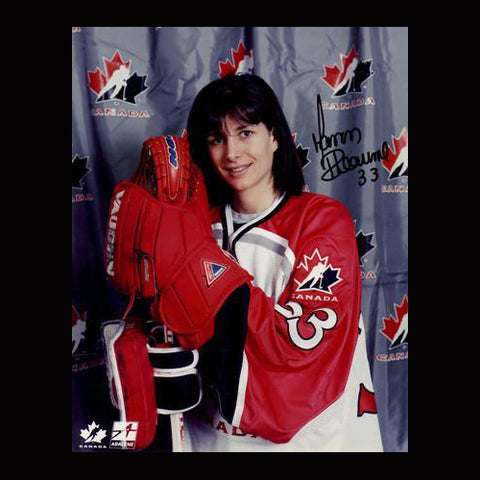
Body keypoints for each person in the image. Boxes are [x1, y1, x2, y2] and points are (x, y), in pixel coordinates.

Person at [179, 73, 384, 452]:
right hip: (213, 436)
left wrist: (198, 271)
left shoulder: (322, 220)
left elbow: (301, 346)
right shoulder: (194, 225)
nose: (232, 153)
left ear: (274, 136)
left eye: (245, 133)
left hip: (309, 440)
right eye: (217, 140)